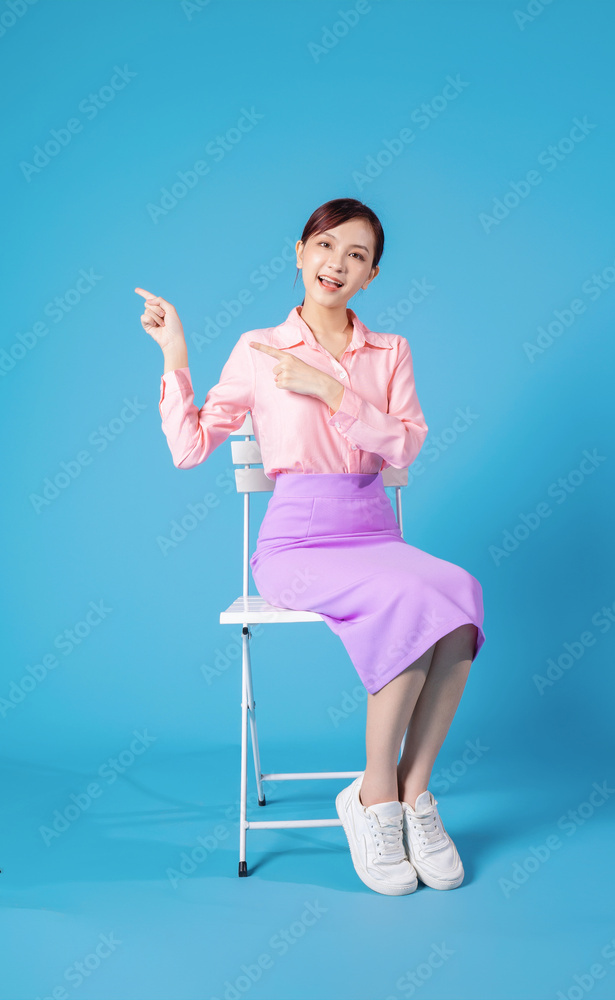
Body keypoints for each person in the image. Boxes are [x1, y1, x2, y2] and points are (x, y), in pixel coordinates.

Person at [136, 197, 485, 897]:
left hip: (373, 532)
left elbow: (406, 443)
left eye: (356, 255)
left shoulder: (390, 353)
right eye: (326, 246)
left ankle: (414, 794)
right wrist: (176, 352)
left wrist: (332, 390)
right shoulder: (259, 351)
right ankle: (374, 799)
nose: (337, 264)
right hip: (297, 541)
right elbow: (190, 446)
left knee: (460, 593)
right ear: (300, 251)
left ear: (372, 275)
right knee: (412, 599)